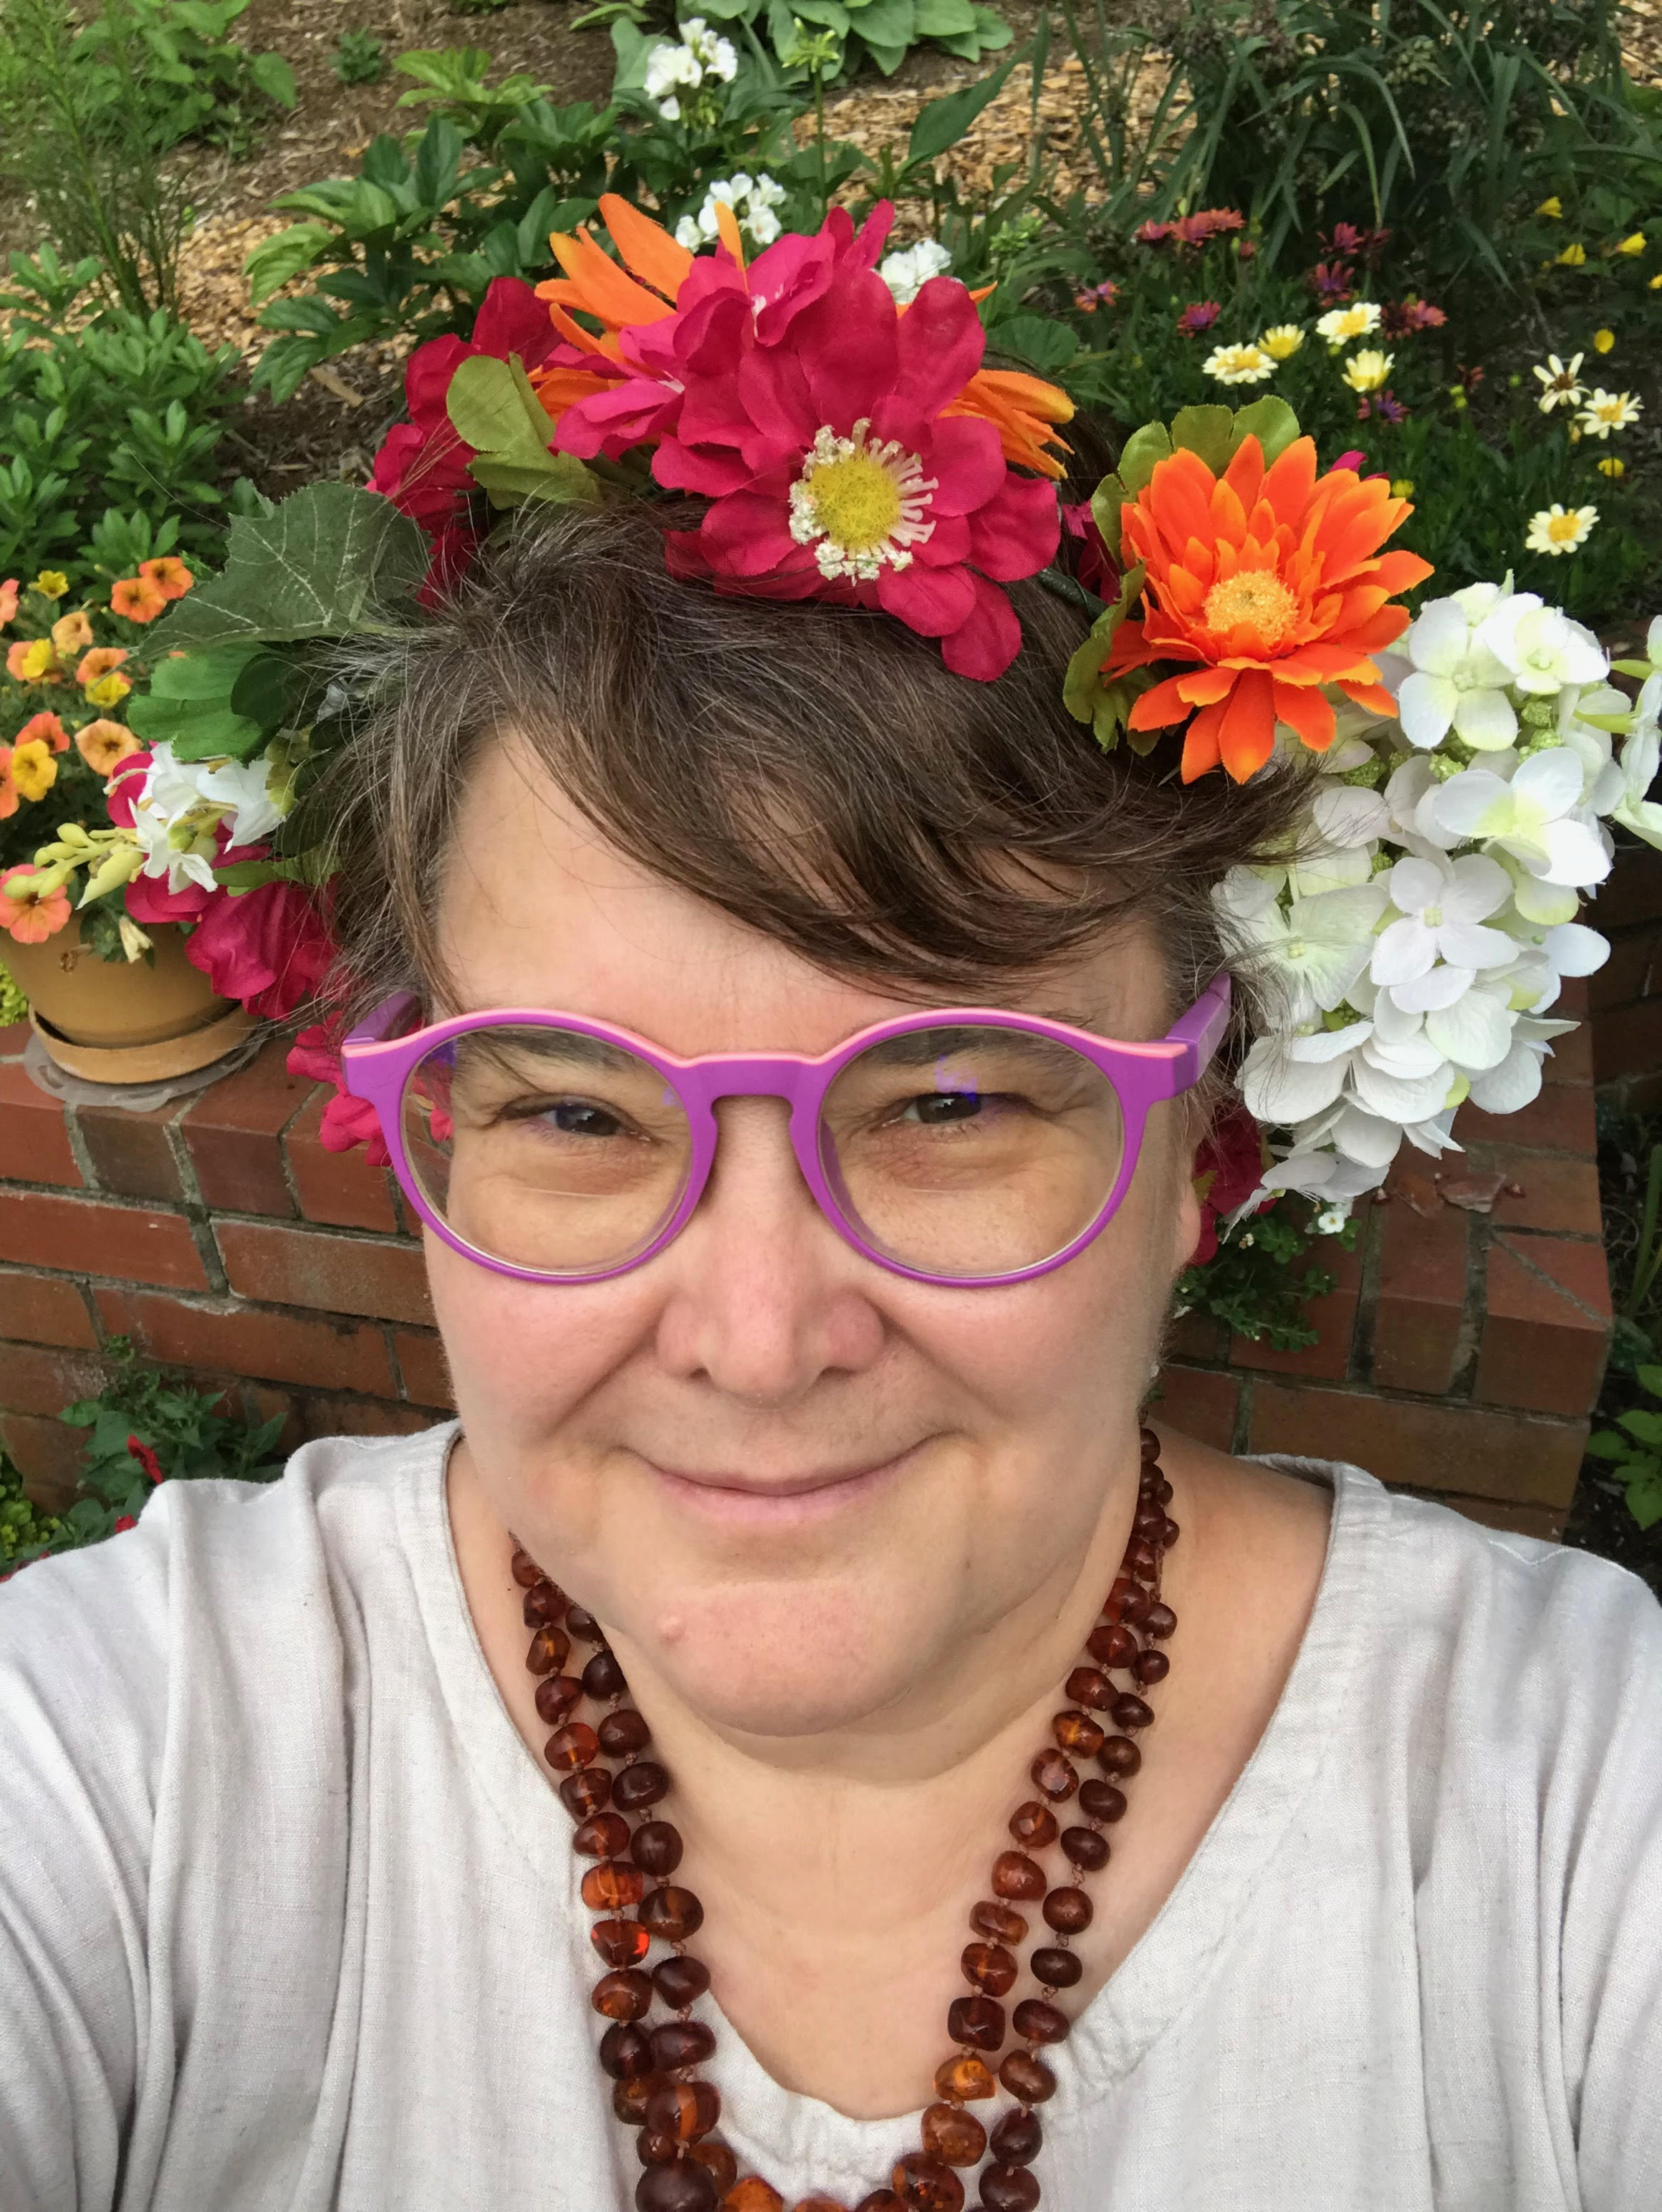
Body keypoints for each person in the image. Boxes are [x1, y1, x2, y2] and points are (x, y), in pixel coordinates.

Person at [4, 219, 1661, 2212]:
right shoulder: (146, 1754)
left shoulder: (1572, 1814)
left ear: (1195, 1153)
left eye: (951, 1103)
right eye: (577, 1112)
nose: (760, 1336)